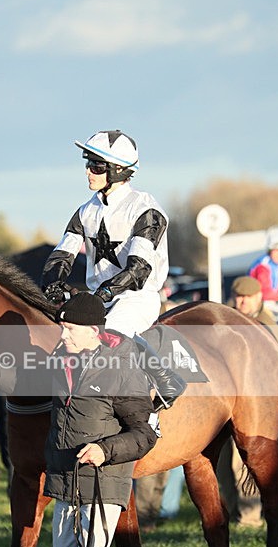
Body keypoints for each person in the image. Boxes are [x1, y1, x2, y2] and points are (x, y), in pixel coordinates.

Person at [44, 293, 158, 547]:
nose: (64, 334)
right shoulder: (61, 361)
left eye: (70, 329)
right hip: (66, 481)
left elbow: (144, 433)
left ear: (93, 331)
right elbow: (21, 378)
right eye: (62, 327)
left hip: (105, 483)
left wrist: (105, 450)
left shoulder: (122, 370)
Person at [41, 129, 185, 410]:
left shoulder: (146, 210)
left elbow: (139, 269)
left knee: (113, 334)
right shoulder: (85, 210)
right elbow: (62, 254)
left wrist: (103, 296)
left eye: (96, 166)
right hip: (99, 297)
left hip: (136, 297)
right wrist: (52, 282)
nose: (88, 172)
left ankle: (163, 384)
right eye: (88, 164)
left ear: (119, 170)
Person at [217, 276, 278, 524]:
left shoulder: (266, 325)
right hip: (228, 401)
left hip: (257, 404)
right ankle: (233, 511)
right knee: (224, 464)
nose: (242, 302)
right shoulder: (229, 321)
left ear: (259, 297)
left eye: (247, 297)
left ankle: (251, 516)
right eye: (239, 297)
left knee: (247, 461)